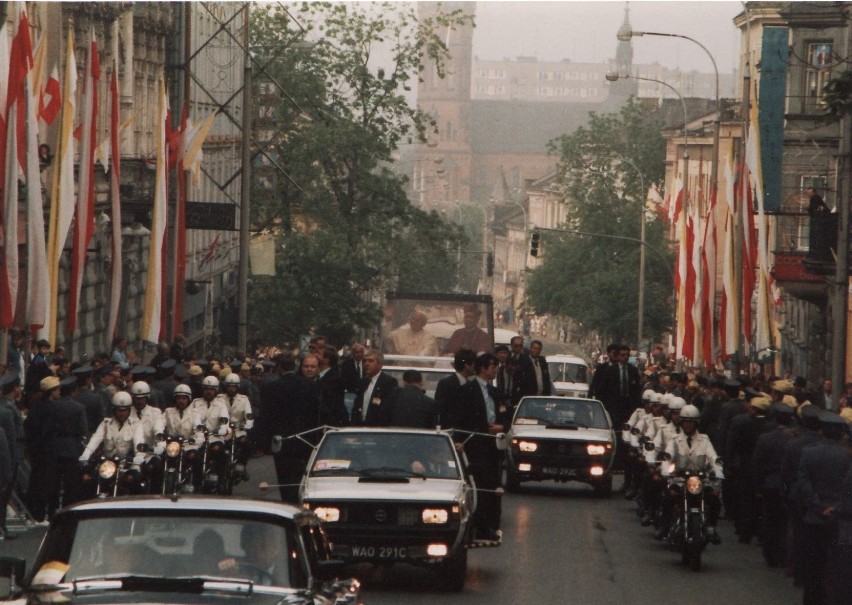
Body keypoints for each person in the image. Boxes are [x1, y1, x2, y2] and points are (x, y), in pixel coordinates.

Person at [795, 411, 851, 605]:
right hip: (840, 518)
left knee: (814, 566)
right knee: (837, 568)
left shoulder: (809, 452)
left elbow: (803, 484)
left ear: (821, 431)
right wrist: (835, 507)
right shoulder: (847, 455)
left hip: (815, 518)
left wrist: (818, 507)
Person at [451, 353, 505, 542]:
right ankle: (476, 525)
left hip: (493, 444)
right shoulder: (468, 390)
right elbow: (460, 418)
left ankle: (490, 525)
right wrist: (459, 440)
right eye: (492, 366)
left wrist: (501, 426)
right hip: (475, 443)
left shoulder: (495, 391)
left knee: (493, 485)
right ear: (482, 368)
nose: (495, 370)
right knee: (478, 485)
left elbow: (503, 413)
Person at [662, 404, 724, 544]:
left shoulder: (704, 439)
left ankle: (711, 528)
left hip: (700, 482)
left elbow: (713, 457)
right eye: (685, 422)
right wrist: (666, 469)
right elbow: (667, 456)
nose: (688, 425)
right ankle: (665, 528)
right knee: (668, 497)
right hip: (679, 480)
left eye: (691, 422)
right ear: (682, 422)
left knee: (714, 499)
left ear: (696, 423)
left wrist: (717, 470)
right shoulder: (674, 439)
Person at [350, 350, 398, 426]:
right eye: (365, 361)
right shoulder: (363, 382)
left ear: (380, 364)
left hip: (377, 429)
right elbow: (357, 405)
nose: (366, 364)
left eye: (371, 361)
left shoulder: (388, 382)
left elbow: (389, 410)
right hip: (360, 427)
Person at [435, 348, 476, 428]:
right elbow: (441, 409)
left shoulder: (471, 385)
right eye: (474, 364)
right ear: (467, 365)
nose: (475, 368)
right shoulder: (446, 383)